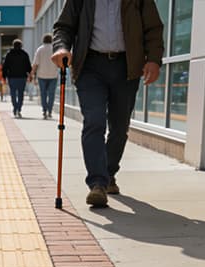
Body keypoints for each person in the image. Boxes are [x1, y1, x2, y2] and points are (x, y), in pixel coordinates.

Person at [52, 0, 164, 207]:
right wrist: (61, 47)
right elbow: (64, 26)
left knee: (119, 128)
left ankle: (108, 173)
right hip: (90, 66)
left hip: (127, 66)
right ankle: (97, 183)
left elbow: (153, 28)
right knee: (94, 122)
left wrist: (154, 59)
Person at [31, 33, 59, 119]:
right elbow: (59, 63)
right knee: (51, 94)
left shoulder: (40, 49)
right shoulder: (55, 49)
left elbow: (35, 64)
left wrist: (32, 74)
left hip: (41, 75)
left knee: (43, 94)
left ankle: (44, 110)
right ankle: (50, 111)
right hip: (53, 75)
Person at [2, 39, 32, 118]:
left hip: (12, 77)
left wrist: (4, 77)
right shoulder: (24, 54)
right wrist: (30, 75)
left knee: (13, 93)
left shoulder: (9, 54)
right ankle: (19, 108)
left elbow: (5, 66)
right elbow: (28, 66)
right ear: (21, 46)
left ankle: (15, 107)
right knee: (20, 93)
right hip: (22, 77)